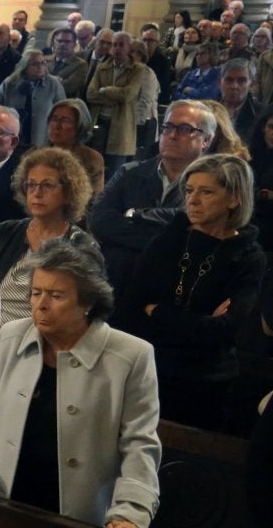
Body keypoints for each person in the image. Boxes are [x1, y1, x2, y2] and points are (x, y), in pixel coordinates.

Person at [0, 240, 161, 528]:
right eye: (36, 293)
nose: (40, 304)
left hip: (80, 518)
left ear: (88, 302)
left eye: (56, 295)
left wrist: (130, 512)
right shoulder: (10, 338)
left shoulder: (132, 356)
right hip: (6, 500)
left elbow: (139, 444)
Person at [114, 154, 267, 430]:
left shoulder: (247, 256)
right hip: (149, 366)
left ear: (234, 199)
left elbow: (223, 329)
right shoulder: (169, 238)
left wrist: (157, 311)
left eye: (206, 192)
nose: (193, 200)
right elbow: (130, 309)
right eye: (189, 190)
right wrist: (197, 321)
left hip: (205, 380)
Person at [90, 100, 217, 293]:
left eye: (184, 129)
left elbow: (198, 234)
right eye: (168, 127)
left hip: (176, 286)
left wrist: (137, 216)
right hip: (117, 280)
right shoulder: (130, 173)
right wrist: (167, 238)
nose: (172, 135)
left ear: (206, 139)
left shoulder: (214, 184)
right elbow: (100, 221)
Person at [0, 147, 97, 323]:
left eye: (47, 185)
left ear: (68, 192)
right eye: (31, 185)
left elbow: (87, 312)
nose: (37, 193)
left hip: (43, 337)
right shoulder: (5, 232)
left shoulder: (81, 245)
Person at [87, 33, 143, 170]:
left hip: (120, 125)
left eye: (121, 45)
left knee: (115, 169)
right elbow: (90, 94)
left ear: (129, 48)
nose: (117, 48)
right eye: (114, 45)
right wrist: (114, 96)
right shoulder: (102, 67)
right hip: (100, 121)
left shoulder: (137, 70)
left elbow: (127, 95)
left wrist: (105, 90)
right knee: (94, 166)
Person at [0, 48, 66, 146]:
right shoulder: (10, 83)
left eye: (43, 63)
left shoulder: (53, 84)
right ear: (25, 66)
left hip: (42, 139)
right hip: (13, 138)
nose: (40, 67)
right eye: (35, 64)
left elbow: (63, 108)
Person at [46, 99, 106, 194]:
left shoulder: (91, 159)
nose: (57, 125)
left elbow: (94, 200)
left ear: (80, 126)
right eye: (54, 118)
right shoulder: (35, 154)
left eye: (65, 120)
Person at [220, 58, 265, 146]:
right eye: (229, 80)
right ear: (219, 82)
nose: (234, 86)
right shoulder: (207, 110)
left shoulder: (261, 114)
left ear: (252, 85)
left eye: (241, 81)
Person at [46, 27, 89, 98]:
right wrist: (59, 80)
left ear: (74, 45)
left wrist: (47, 79)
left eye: (67, 42)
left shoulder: (80, 65)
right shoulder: (45, 60)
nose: (63, 44)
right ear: (54, 43)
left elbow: (69, 88)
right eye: (59, 41)